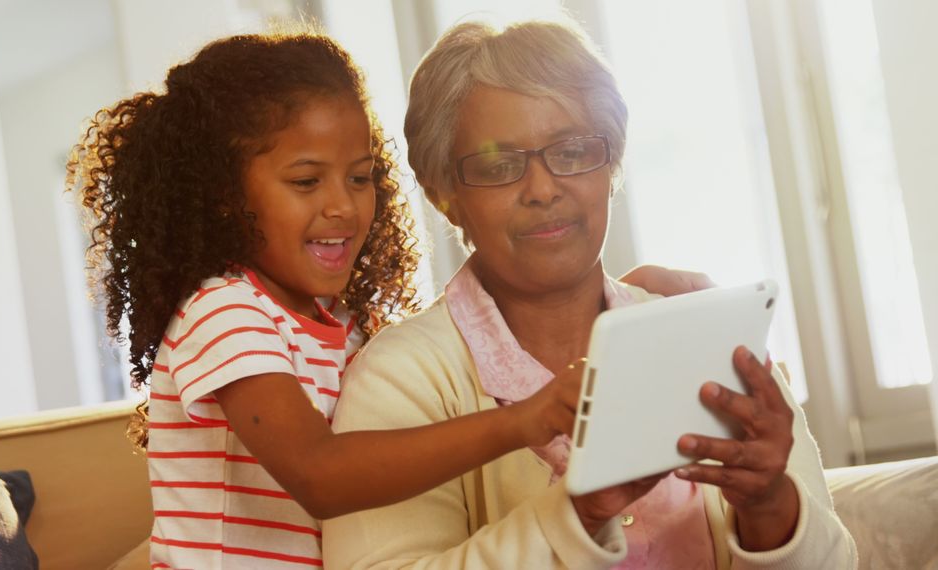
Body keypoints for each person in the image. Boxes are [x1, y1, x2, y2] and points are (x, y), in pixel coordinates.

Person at [67, 29, 702, 569]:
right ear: (222, 195)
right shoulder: (224, 311)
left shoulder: (337, 326)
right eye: (306, 180)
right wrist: (521, 421)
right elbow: (320, 474)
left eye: (361, 176)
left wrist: (632, 290)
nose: (342, 205)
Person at [323, 19, 858, 569]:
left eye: (573, 151)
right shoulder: (399, 380)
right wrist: (575, 515)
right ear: (443, 196)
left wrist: (770, 506)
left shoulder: (711, 338)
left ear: (612, 164)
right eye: (499, 166)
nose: (543, 189)